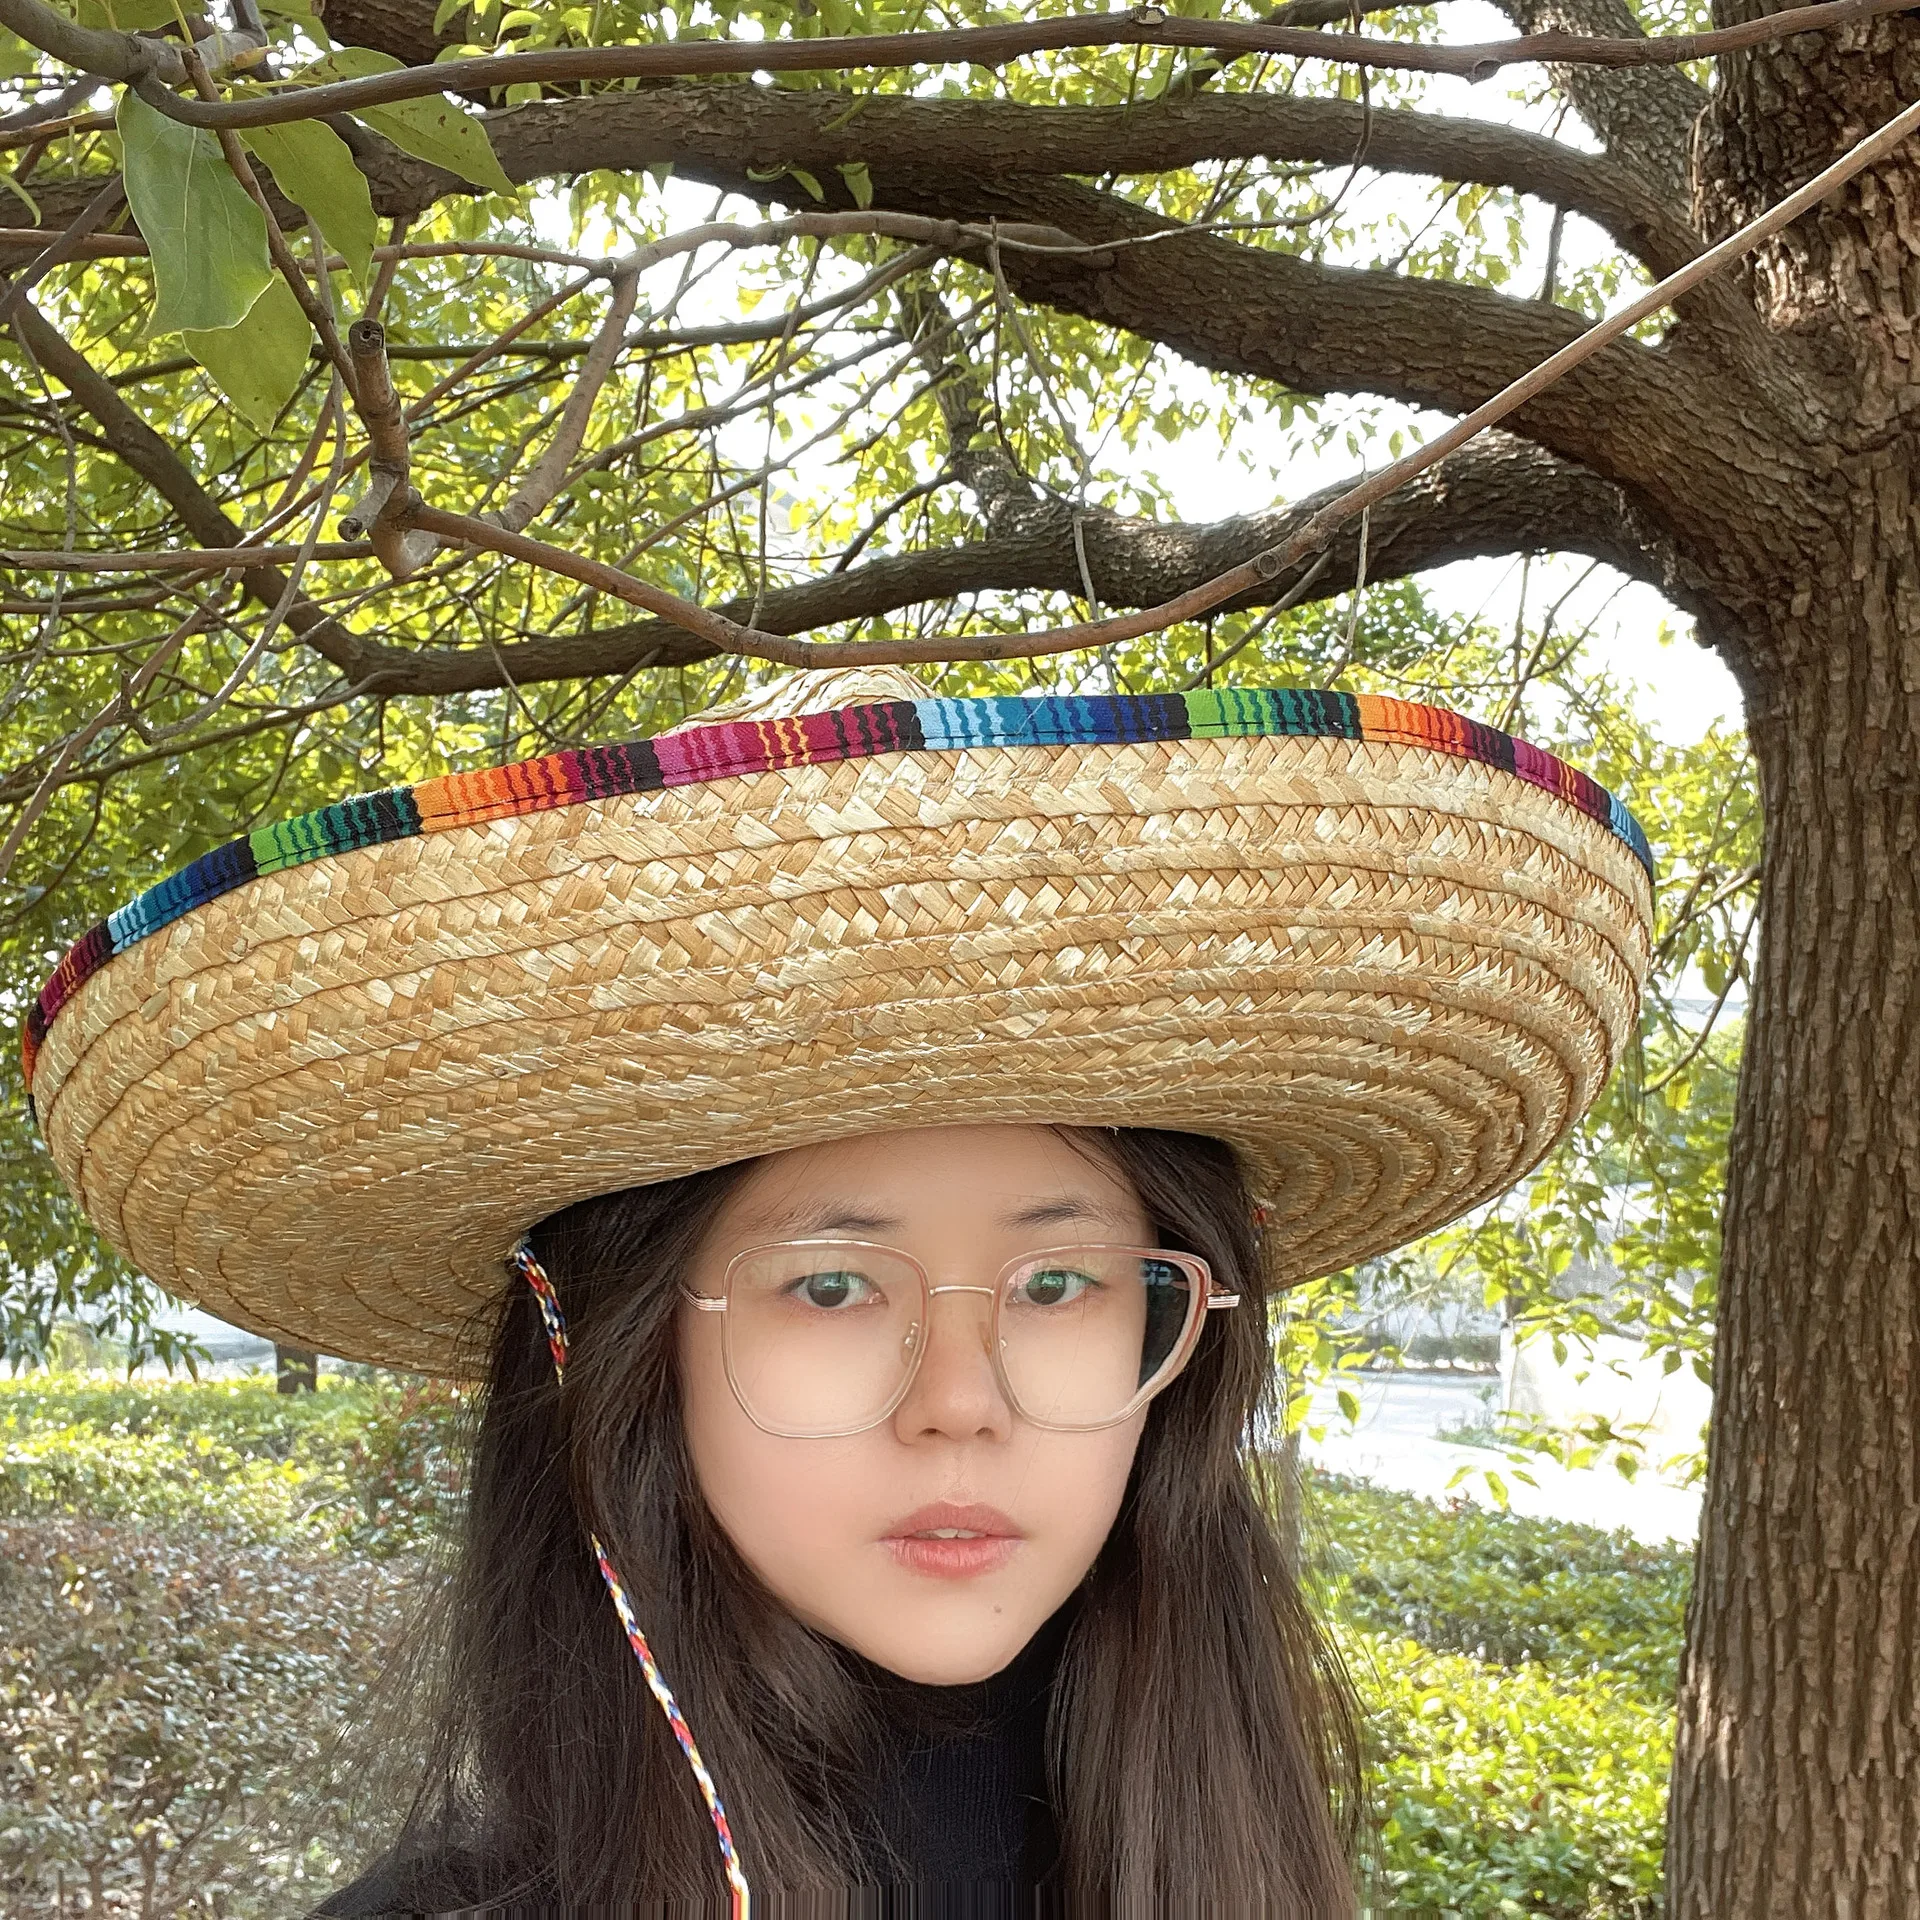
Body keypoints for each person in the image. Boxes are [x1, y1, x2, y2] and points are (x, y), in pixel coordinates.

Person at [22, 663, 1655, 1913]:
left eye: (1061, 1283)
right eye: (827, 1290)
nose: (964, 1403)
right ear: (616, 1349)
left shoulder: (1251, 1861)